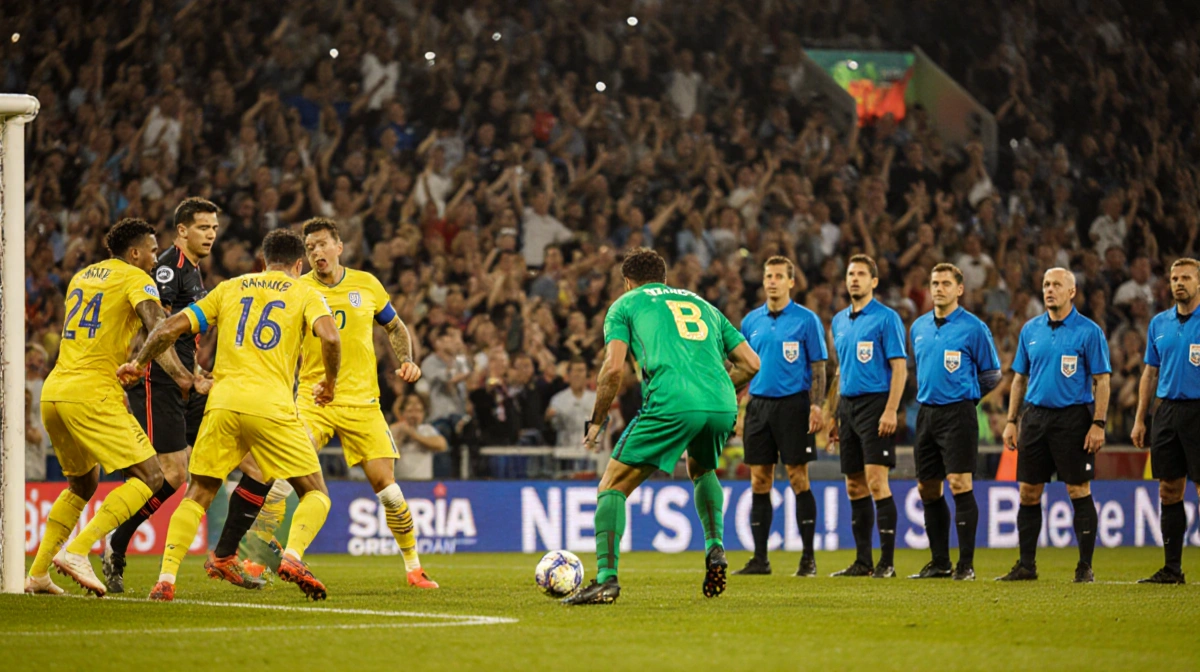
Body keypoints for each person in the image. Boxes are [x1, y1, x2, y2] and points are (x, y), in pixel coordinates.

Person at [124, 229, 341, 601]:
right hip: (271, 407)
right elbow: (331, 338)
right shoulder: (307, 292)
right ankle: (292, 556)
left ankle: (168, 579)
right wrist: (330, 384)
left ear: (263, 260)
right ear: (298, 264)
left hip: (223, 403)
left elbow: (168, 326)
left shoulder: (230, 288)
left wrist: (137, 362)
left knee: (203, 490)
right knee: (315, 492)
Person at [241, 217, 437, 588]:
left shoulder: (367, 284)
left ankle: (414, 568)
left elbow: (395, 327)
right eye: (309, 247)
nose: (315, 252)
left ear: (338, 247)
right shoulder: (297, 290)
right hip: (314, 400)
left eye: (321, 244)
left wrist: (407, 360)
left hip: (363, 403)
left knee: (389, 490)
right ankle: (262, 558)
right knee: (284, 476)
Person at [563, 248, 760, 605]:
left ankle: (606, 580)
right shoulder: (704, 305)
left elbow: (612, 369)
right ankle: (715, 547)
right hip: (720, 402)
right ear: (664, 278)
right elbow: (751, 363)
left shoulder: (625, 305)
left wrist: (596, 421)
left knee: (612, 486)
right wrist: (714, 390)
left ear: (627, 282)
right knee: (701, 468)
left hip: (671, 400)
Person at [107, 197, 272, 594]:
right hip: (161, 383)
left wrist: (198, 373)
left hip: (189, 381)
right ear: (182, 230)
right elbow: (157, 333)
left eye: (214, 228)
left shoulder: (195, 273)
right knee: (174, 475)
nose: (211, 234)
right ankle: (117, 542)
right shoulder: (167, 269)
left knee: (258, 466)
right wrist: (185, 378)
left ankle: (224, 555)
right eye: (202, 227)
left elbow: (182, 339)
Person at [26, 218, 196, 597]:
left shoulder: (82, 276)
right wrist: (185, 377)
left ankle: (38, 575)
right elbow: (159, 328)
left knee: (83, 484)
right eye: (152, 251)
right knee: (152, 477)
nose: (155, 259)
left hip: (56, 391)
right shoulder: (136, 278)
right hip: (92, 392)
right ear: (134, 252)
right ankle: (79, 550)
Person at [999, 268, 1111, 583]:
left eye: (1057, 285)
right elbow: (1019, 379)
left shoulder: (1089, 332)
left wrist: (1098, 423)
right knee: (1028, 492)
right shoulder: (1030, 329)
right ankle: (1026, 565)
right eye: (1046, 284)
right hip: (1034, 418)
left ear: (1072, 292)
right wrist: (1011, 421)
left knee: (1078, 489)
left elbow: (1102, 381)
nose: (1050, 290)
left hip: (1072, 418)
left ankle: (1085, 566)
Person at [733, 256, 828, 577]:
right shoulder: (751, 322)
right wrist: (736, 405)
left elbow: (818, 367)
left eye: (778, 276)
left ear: (791, 282)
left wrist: (817, 406)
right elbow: (742, 368)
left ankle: (808, 558)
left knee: (798, 478)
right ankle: (760, 559)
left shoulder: (806, 320)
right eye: (767, 276)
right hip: (758, 406)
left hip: (794, 406)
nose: (771, 281)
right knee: (759, 479)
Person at [908, 263, 1001, 581]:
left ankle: (966, 564)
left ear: (959, 289)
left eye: (946, 283)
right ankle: (939, 562)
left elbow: (992, 374)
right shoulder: (918, 327)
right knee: (927, 488)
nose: (939, 288)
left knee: (960, 484)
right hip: (926, 413)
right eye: (934, 282)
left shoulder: (974, 328)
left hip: (958, 413)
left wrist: (968, 397)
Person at [827, 254, 908, 579]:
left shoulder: (887, 318)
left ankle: (886, 563)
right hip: (847, 406)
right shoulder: (838, 321)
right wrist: (834, 414)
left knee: (876, 482)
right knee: (854, 486)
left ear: (874, 281)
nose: (854, 279)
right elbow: (839, 372)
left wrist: (891, 409)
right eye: (850, 274)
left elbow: (899, 368)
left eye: (861, 274)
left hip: (876, 405)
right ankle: (863, 562)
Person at [1131, 258, 1200, 584]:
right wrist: (1141, 418)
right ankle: (1172, 568)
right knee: (1168, 490)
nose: (1179, 283)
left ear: (1198, 282)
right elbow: (1150, 372)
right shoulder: (1159, 323)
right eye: (1174, 278)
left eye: (1186, 277)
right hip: (1167, 412)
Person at [392, 394, 449, 481]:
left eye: (418, 411)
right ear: (403, 413)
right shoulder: (394, 429)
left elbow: (442, 445)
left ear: (423, 414)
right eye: (410, 411)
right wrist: (400, 438)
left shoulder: (427, 430)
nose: (414, 415)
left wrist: (414, 435)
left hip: (423, 484)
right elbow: (386, 458)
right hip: (399, 484)